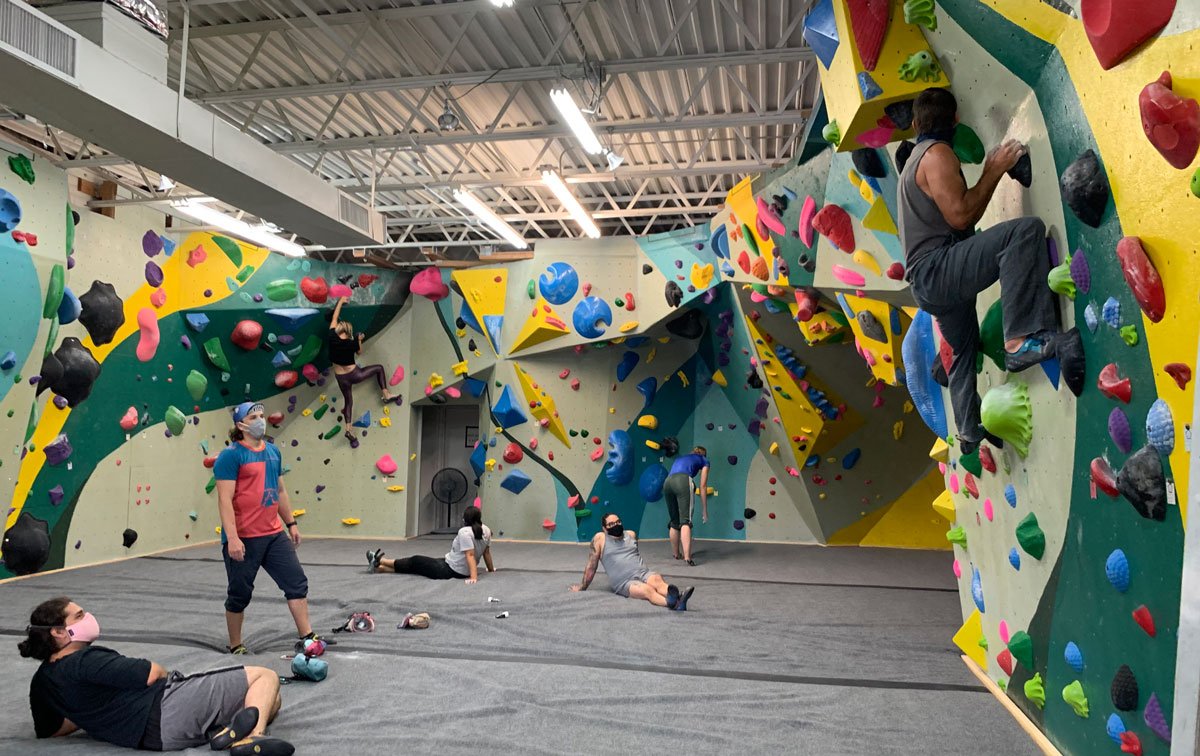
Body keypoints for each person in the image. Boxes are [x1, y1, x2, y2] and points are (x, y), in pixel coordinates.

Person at [898, 87, 1065, 455]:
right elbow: (961, 215)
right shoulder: (936, 154)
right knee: (1023, 233)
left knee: (963, 349)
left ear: (914, 124)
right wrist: (993, 170)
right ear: (955, 121)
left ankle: (969, 431)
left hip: (928, 282)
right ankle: (1021, 341)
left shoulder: (912, 163)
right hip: (937, 270)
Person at [19, 597, 293, 754]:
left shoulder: (42, 681)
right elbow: (152, 673)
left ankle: (227, 731)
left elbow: (52, 730)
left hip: (155, 739)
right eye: (78, 616)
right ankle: (253, 737)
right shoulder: (86, 661)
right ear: (58, 632)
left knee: (269, 701)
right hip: (168, 706)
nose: (87, 617)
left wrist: (94, 714)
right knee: (264, 677)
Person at [215, 402, 317, 655]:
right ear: (241, 425)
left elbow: (280, 490)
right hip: (245, 538)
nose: (261, 420)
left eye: (262, 415)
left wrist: (291, 523)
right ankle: (236, 645)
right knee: (239, 594)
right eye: (254, 417)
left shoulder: (273, 452)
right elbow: (224, 499)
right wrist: (233, 538)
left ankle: (307, 635)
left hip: (273, 535)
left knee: (296, 583)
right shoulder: (231, 456)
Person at [570, 513, 694, 610]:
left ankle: (675, 596)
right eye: (611, 524)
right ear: (604, 528)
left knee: (657, 580)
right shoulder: (600, 539)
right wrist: (582, 586)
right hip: (624, 582)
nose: (616, 525)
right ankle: (672, 603)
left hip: (643, 573)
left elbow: (634, 556)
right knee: (647, 590)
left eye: (618, 522)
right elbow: (591, 566)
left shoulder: (631, 534)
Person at [367, 506, 496, 583]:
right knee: (419, 567)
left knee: (415, 561)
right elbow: (486, 553)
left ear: (465, 519)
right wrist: (490, 569)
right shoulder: (487, 529)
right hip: (451, 564)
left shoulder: (464, 532)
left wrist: (473, 577)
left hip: (451, 570)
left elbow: (470, 555)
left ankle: (381, 560)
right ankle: (381, 568)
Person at [329, 296, 394, 444]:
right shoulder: (351, 343)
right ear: (349, 332)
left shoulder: (331, 336)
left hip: (341, 378)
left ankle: (348, 429)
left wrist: (340, 302)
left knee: (348, 401)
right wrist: (359, 339)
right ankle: (386, 394)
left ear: (339, 329)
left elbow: (334, 317)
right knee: (379, 368)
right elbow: (359, 352)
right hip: (354, 374)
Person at [663, 446, 709, 565]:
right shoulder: (704, 460)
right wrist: (704, 510)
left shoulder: (681, 458)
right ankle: (687, 557)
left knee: (674, 521)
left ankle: (676, 553)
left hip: (667, 482)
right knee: (685, 521)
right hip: (682, 481)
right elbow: (703, 486)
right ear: (703, 455)